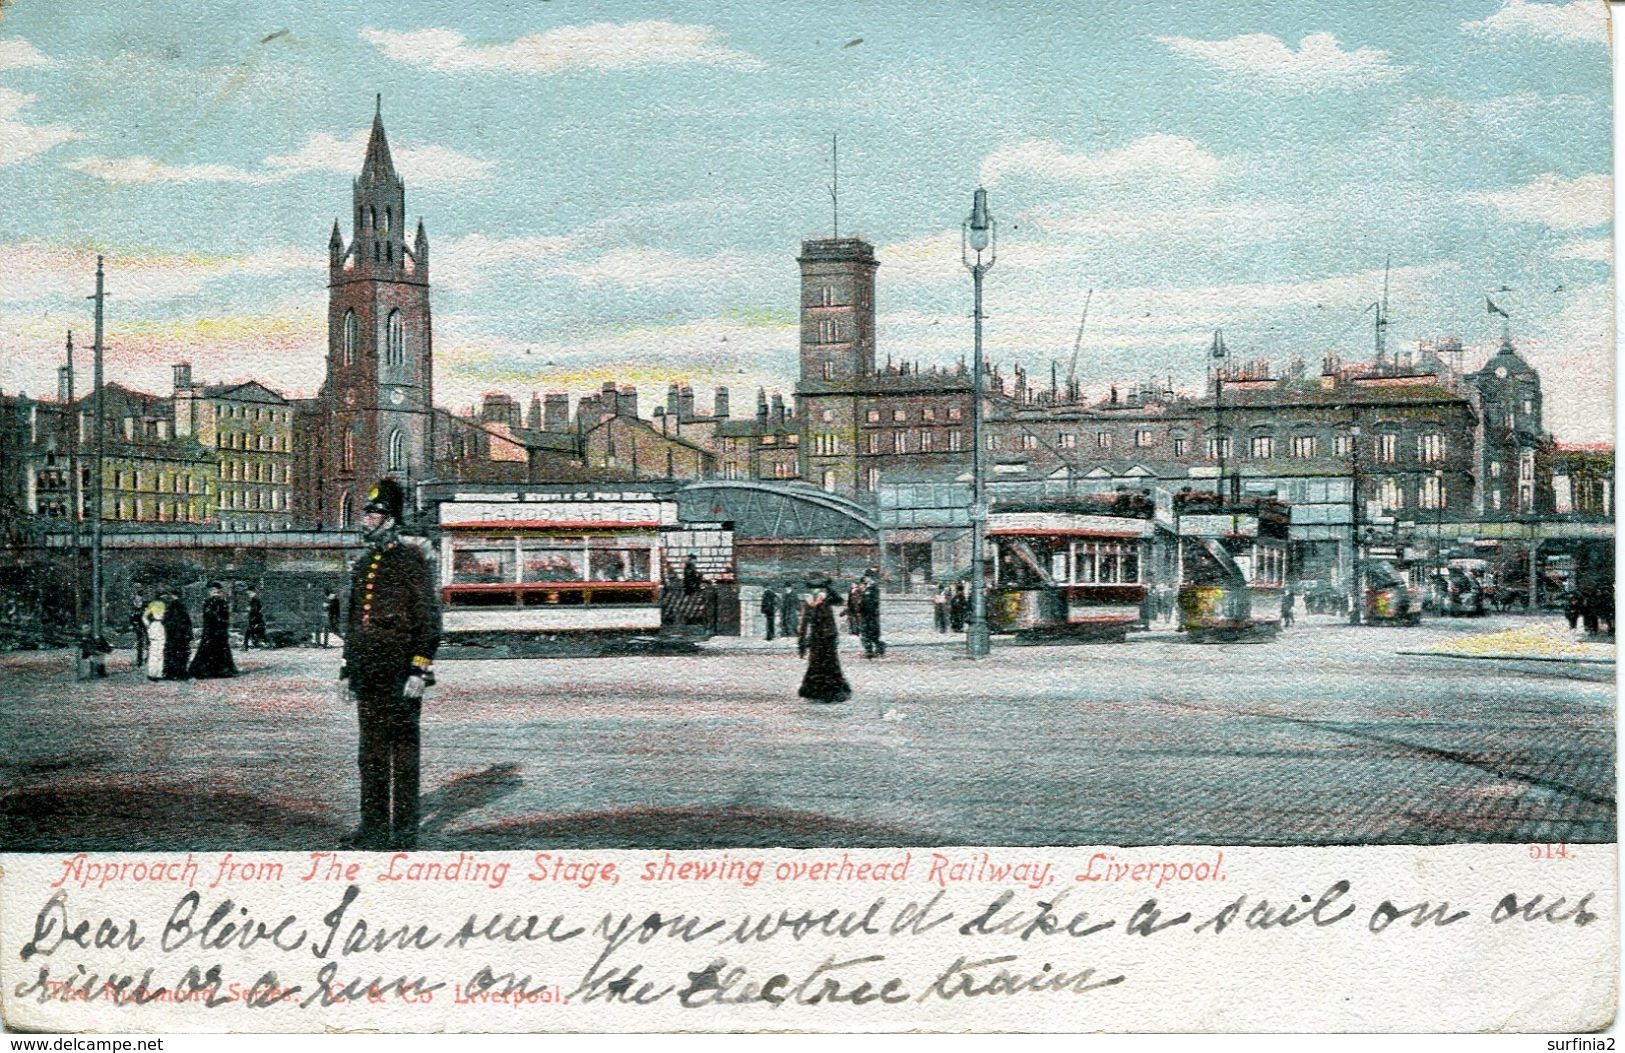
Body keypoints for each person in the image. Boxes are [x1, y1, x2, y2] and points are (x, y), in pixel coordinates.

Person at [341, 478, 441, 851]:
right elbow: (355, 622)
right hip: (370, 671)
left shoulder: (410, 561)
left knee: (402, 753)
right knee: (370, 753)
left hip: (400, 670)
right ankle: (373, 829)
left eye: (374, 512)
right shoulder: (366, 563)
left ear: (390, 519)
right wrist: (347, 670)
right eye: (367, 512)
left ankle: (403, 833)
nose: (367, 518)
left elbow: (428, 620)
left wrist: (419, 669)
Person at [797, 575, 850, 704]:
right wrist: (802, 642)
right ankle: (822, 691)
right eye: (818, 589)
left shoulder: (827, 600)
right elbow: (804, 623)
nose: (819, 593)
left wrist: (828, 587)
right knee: (820, 665)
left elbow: (840, 600)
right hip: (819, 639)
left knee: (828, 665)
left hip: (827, 638)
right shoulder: (810, 602)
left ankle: (830, 691)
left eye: (820, 589)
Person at [190, 581, 238, 679]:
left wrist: (220, 624)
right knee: (213, 649)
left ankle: (215, 670)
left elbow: (222, 617)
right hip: (213, 630)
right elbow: (211, 617)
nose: (215, 593)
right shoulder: (212, 602)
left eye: (216, 591)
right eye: (213, 591)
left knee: (215, 649)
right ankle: (216, 670)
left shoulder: (219, 602)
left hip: (215, 630)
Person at [160, 591, 192, 680]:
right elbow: (187, 622)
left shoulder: (170, 607)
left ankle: (171, 672)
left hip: (172, 635)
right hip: (181, 635)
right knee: (182, 653)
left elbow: (165, 621)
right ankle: (180, 672)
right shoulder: (182, 607)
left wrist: (169, 628)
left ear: (173, 596)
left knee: (171, 653)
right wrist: (188, 634)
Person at [859, 571, 885, 658]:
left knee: (870, 633)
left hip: (870, 614)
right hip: (867, 614)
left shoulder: (873, 588)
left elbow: (872, 602)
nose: (864, 579)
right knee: (866, 633)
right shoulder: (867, 587)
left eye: (866, 577)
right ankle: (870, 650)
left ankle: (875, 648)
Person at [142, 595, 166, 681]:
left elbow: (144, 617)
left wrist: (148, 625)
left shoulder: (153, 604)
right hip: (158, 626)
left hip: (156, 626)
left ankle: (154, 673)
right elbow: (144, 617)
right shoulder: (162, 604)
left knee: (155, 649)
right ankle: (156, 673)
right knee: (157, 649)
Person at [129, 595, 149, 666]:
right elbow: (131, 619)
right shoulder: (134, 610)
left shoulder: (144, 609)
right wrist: (134, 624)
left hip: (146, 628)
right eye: (137, 601)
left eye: (140, 601)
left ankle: (147, 658)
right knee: (140, 645)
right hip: (139, 628)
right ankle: (139, 660)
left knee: (148, 644)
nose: (139, 603)